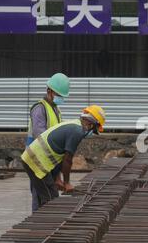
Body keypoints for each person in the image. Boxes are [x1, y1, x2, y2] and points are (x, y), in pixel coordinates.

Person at [21, 105, 106, 211]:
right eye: (94, 130)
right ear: (90, 124)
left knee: (52, 195)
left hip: (38, 162)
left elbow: (59, 156)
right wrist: (67, 183)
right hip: (34, 162)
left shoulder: (74, 124)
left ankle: (47, 222)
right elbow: (67, 160)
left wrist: (57, 178)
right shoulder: (77, 131)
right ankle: (43, 224)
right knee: (48, 198)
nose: (92, 134)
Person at [26, 73, 70, 211]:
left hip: (49, 163)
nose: (60, 98)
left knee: (51, 200)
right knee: (41, 201)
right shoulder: (39, 109)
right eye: (58, 94)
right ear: (49, 91)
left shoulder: (56, 110)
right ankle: (37, 230)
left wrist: (57, 175)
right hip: (38, 163)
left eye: (62, 95)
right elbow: (41, 139)